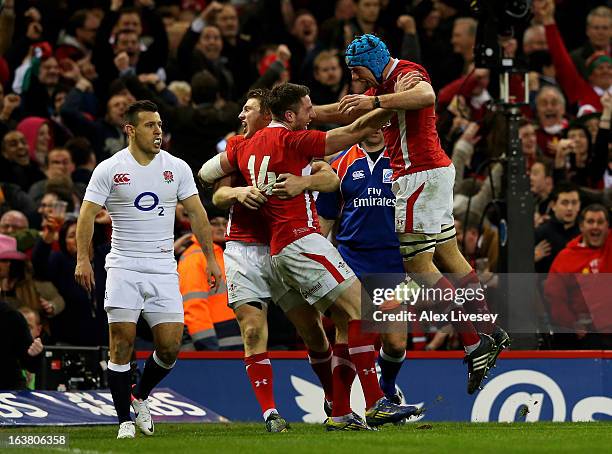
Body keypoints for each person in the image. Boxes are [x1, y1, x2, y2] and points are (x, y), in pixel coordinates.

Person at [199, 82, 421, 430]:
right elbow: (356, 130)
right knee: (365, 312)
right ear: (288, 115)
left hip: (282, 246)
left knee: (347, 321)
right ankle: (376, 402)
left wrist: (266, 182)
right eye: (307, 109)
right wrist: (406, 104)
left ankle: (341, 413)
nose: (312, 113)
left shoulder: (245, 146)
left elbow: (207, 173)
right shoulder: (293, 139)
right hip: (299, 240)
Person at [313, 34, 506, 394]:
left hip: (419, 174)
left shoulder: (405, 74)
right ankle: (488, 330)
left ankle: (473, 342)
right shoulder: (386, 85)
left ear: (370, 62)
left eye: (357, 71)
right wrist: (303, 114)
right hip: (429, 173)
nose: (357, 80)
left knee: (417, 265)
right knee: (449, 255)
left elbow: (426, 96)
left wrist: (381, 99)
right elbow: (344, 112)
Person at [75, 100, 222, 439]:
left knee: (170, 345)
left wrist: (211, 258)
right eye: (149, 125)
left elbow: (198, 214)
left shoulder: (178, 167)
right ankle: (124, 420)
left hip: (161, 265)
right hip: (124, 263)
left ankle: (139, 395)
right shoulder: (110, 169)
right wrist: (83, 259)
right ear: (130, 129)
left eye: (160, 124)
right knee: (121, 342)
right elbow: (86, 216)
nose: (158, 131)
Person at [210, 88, 341, 432]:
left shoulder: (289, 142)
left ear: (266, 115)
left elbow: (330, 177)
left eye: (248, 109)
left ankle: (333, 400)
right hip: (243, 249)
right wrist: (238, 192)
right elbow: (216, 190)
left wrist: (304, 181)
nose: (242, 115)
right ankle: (271, 414)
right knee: (253, 330)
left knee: (311, 330)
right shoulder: (237, 147)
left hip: (282, 248)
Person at [316, 129, 408, 404]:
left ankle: (388, 387)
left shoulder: (403, 162)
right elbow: (325, 218)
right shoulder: (340, 164)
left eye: (383, 123)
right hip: (351, 261)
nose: (377, 128)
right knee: (347, 332)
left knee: (395, 343)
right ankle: (340, 404)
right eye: (371, 122)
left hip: (395, 264)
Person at [544, 204, 612, 348]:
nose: (596, 227)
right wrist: (571, 324)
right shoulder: (566, 258)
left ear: (607, 227)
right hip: (588, 335)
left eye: (600, 222)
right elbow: (554, 297)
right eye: (590, 222)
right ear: (581, 226)